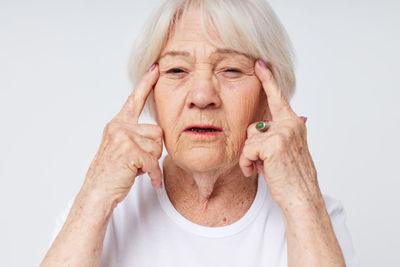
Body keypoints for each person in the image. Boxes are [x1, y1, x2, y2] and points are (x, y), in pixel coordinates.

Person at [41, 0, 359, 266]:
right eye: (177, 70)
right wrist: (94, 196)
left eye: (231, 69)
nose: (202, 95)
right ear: (150, 93)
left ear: (268, 98)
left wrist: (302, 200)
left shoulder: (316, 216)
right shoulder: (96, 212)